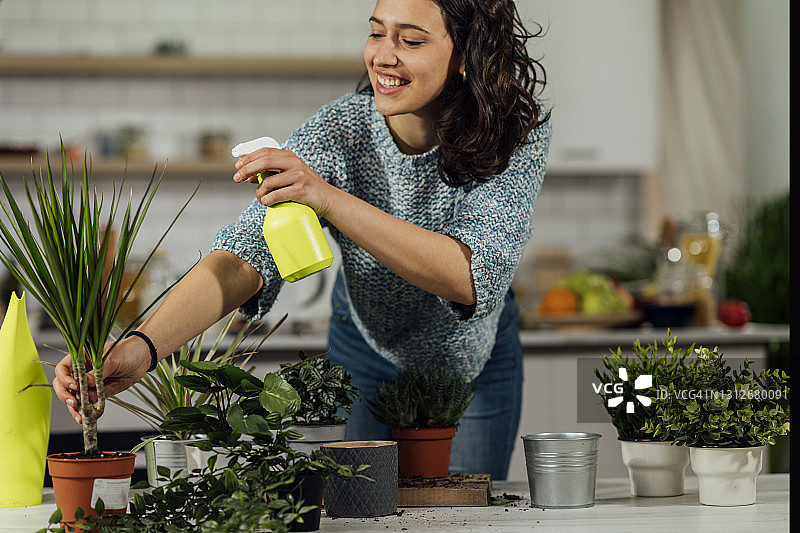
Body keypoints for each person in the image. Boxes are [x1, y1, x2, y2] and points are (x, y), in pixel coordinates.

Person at [53, 0, 551, 480]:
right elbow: (244, 257)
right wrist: (141, 349)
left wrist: (329, 199)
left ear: (465, 54)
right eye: (377, 32)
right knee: (360, 506)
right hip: (363, 350)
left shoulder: (514, 133)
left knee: (467, 513)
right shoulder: (337, 131)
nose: (383, 54)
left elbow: (469, 275)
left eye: (411, 39)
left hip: (475, 361)